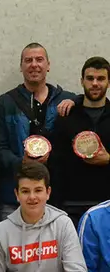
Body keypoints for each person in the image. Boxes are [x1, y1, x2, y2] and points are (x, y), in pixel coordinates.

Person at [0, 42, 75, 223]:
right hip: (14, 197)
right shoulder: (4, 103)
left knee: (53, 251)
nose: (34, 64)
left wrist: (79, 101)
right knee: (12, 250)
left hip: (57, 195)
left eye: (39, 60)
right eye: (28, 60)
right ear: (21, 67)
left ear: (48, 65)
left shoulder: (68, 100)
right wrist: (22, 163)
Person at [51, 56, 110, 226]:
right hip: (71, 207)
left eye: (101, 78)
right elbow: (56, 163)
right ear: (82, 81)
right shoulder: (66, 116)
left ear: (108, 81)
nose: (95, 83)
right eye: (90, 78)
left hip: (106, 205)